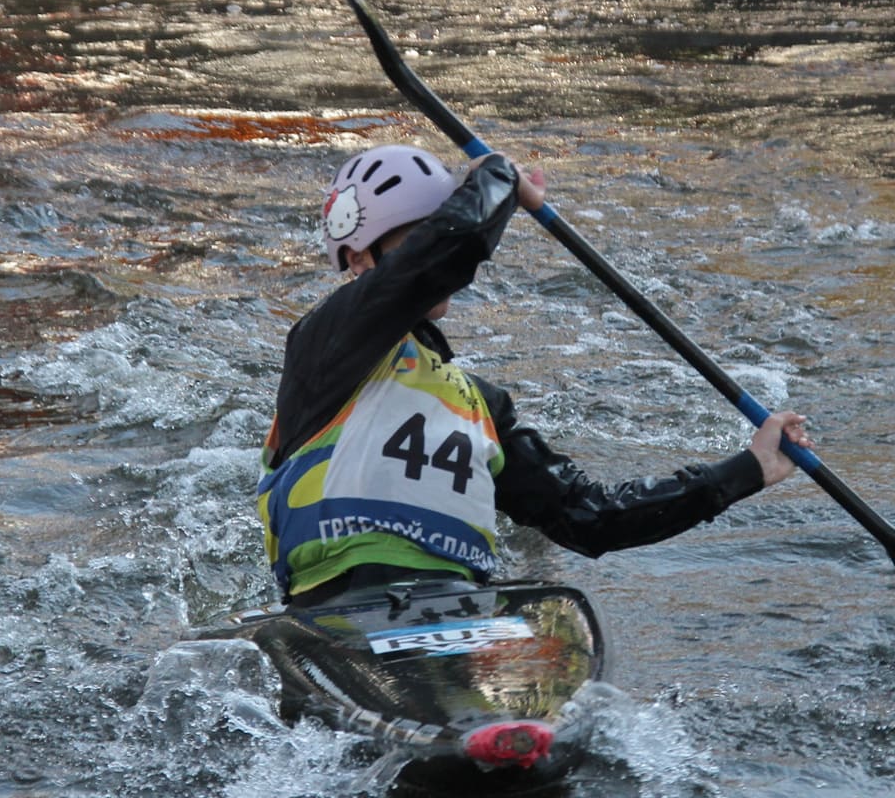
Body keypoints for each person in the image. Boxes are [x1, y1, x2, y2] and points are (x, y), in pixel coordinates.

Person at [257, 143, 809, 604]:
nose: (429, 251)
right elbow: (449, 249)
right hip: (334, 611)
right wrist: (498, 173)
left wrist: (747, 470)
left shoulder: (479, 407)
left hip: (456, 610)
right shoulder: (323, 344)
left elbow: (591, 517)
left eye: (432, 230)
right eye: (413, 237)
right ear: (359, 259)